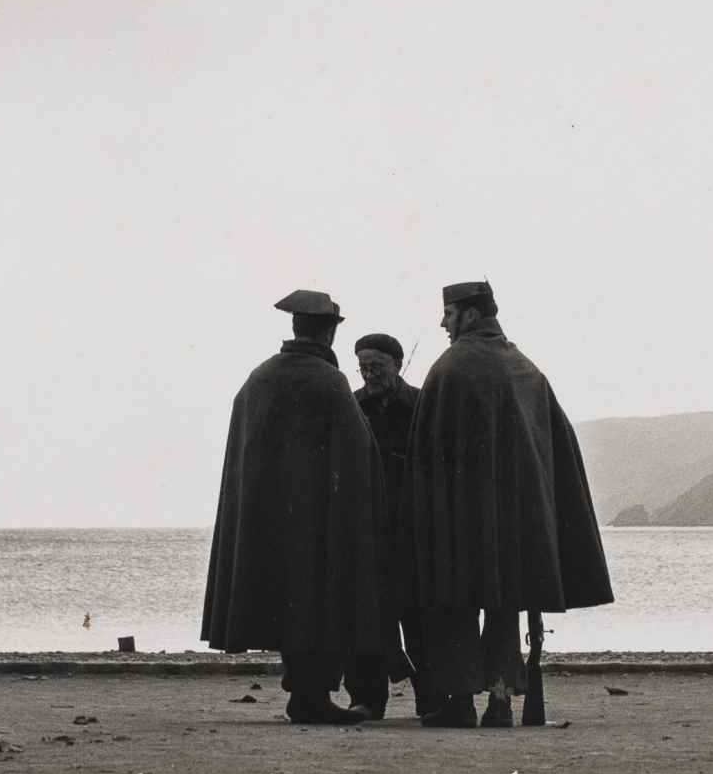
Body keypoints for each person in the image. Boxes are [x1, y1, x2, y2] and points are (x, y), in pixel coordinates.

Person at [408, 281, 614, 728]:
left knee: (457, 605)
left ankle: (461, 701)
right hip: (518, 525)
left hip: (460, 521)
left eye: (448, 312)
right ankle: (500, 700)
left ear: (470, 315)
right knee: (504, 607)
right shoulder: (526, 369)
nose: (443, 322)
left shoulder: (450, 369)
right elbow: (556, 454)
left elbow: (428, 456)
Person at [201, 290, 386, 724]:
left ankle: (306, 695)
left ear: (295, 328)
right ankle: (310, 697)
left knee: (291, 607)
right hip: (318, 524)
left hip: (267, 525)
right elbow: (360, 456)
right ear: (331, 331)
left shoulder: (259, 377)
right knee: (319, 607)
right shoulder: (328, 380)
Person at [341, 332, 432, 719]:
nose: (368, 374)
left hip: (412, 528)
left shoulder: (422, 405)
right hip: (364, 528)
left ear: (397, 364)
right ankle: (366, 699)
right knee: (363, 617)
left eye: (376, 366)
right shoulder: (352, 406)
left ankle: (431, 698)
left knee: (420, 618)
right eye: (362, 368)